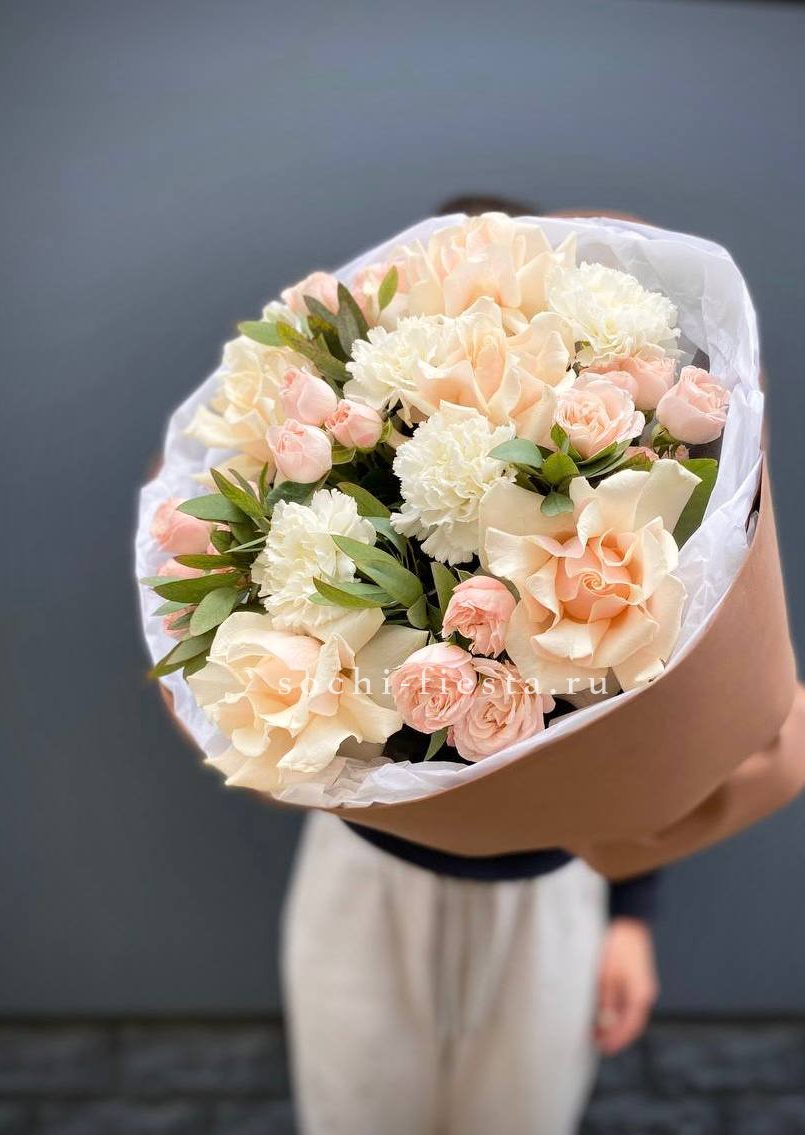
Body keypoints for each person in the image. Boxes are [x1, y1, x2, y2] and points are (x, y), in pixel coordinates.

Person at [281, 197, 663, 1135]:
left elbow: (656, 707)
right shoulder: (364, 445)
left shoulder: (604, 448)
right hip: (370, 871)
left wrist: (631, 912)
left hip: (547, 883)